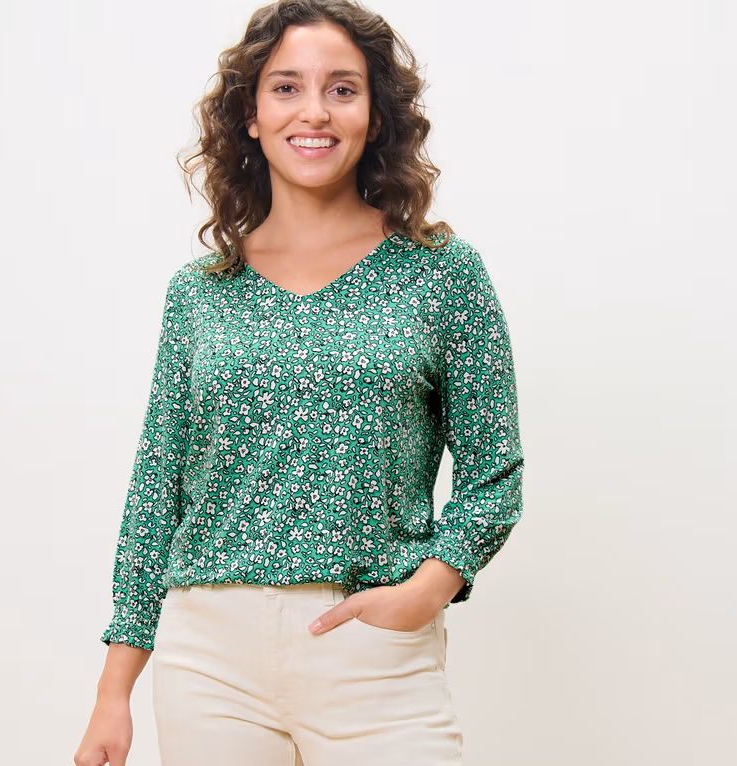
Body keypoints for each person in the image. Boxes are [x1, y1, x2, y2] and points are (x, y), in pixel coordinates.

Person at [74, 1, 525, 764]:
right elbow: (158, 486)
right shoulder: (201, 292)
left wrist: (428, 590)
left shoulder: (440, 273)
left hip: (373, 650)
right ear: (250, 115)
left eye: (342, 89)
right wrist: (112, 692)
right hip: (208, 659)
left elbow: (495, 470)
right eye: (286, 87)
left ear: (375, 117)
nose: (314, 111)